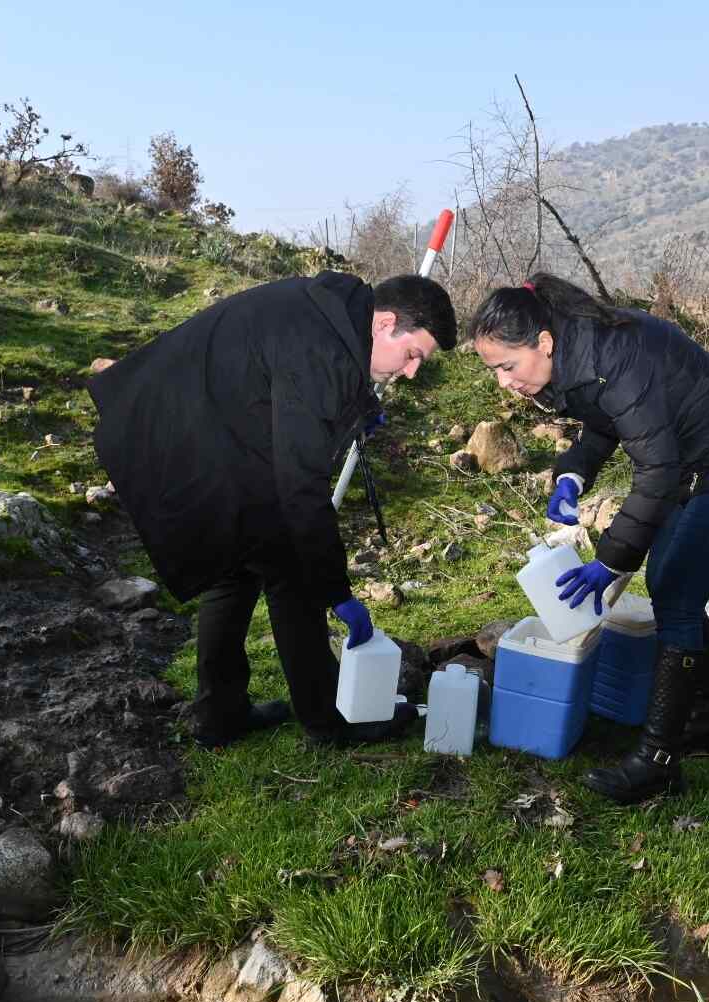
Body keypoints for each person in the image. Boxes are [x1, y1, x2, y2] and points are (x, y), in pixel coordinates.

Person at [88, 271, 456, 748]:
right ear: (385, 323)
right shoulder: (320, 348)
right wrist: (336, 589)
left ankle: (219, 713)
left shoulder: (333, 312)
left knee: (236, 566)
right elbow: (302, 484)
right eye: (412, 357)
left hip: (192, 428)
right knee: (293, 572)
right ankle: (327, 722)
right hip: (186, 438)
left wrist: (357, 406)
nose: (410, 373)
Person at [470, 273, 709, 803]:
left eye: (507, 366)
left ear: (542, 343)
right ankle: (705, 723)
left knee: (675, 591)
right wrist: (572, 473)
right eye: (495, 370)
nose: (504, 381)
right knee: (674, 585)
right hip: (700, 463)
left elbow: (657, 469)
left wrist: (612, 561)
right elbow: (608, 420)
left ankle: (658, 763)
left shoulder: (607, 352)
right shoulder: (576, 350)